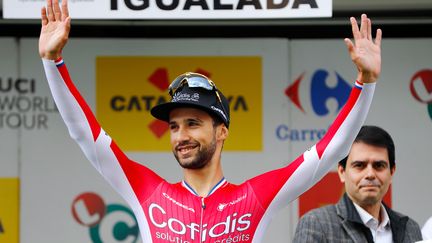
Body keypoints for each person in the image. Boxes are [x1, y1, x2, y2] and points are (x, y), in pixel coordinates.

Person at [39, 0, 382, 242]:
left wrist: (365, 83)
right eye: (174, 126)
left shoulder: (254, 198)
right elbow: (85, 134)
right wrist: (53, 63)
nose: (181, 135)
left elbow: (327, 152)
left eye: (192, 123)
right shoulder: (147, 192)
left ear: (222, 132)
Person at [293, 125, 423, 243]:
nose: (370, 174)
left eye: (379, 165)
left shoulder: (410, 228)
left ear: (392, 172)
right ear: (342, 172)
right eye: (359, 165)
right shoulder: (317, 224)